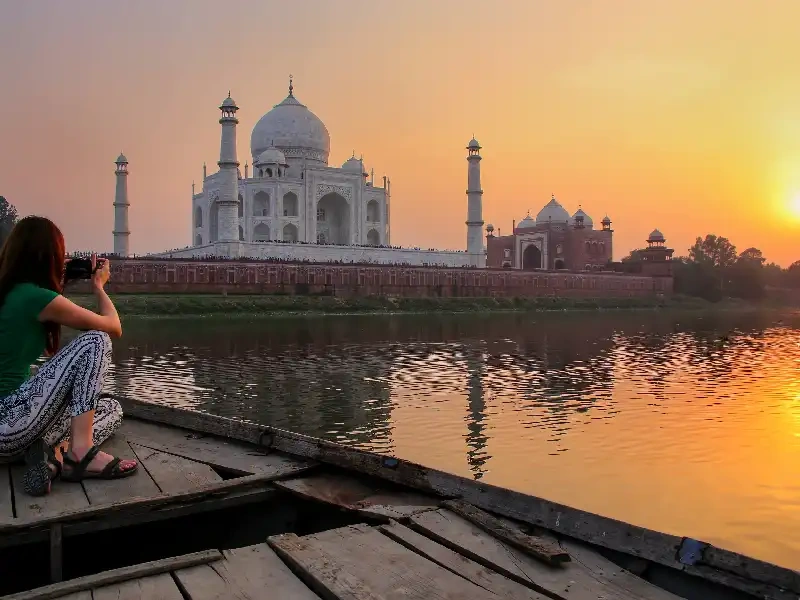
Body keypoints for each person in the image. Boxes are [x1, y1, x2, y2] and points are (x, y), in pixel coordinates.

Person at [0, 216, 138, 496]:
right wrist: (98, 287)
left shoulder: (12, 293)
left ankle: (52, 459)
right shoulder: (35, 297)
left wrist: (62, 283)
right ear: (48, 256)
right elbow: (113, 326)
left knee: (111, 409)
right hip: (9, 420)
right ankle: (79, 453)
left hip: (13, 432)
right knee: (95, 341)